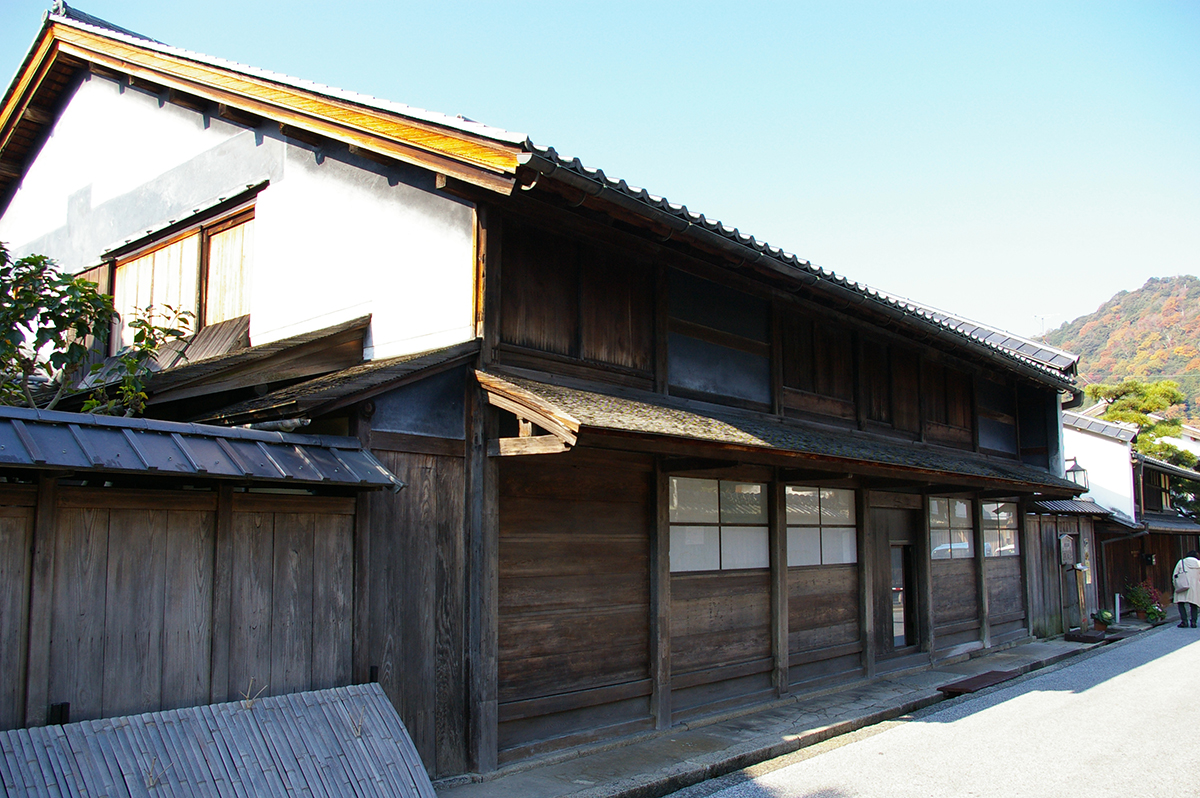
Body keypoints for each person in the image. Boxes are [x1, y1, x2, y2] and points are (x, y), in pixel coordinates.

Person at [1172, 550, 1200, 628]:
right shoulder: (1198, 563)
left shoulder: (1181, 562)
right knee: (1194, 604)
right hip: (1195, 586)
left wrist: (1176, 586)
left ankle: (1184, 621)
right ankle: (1193, 621)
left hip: (1183, 586)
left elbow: (1175, 575)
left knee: (1181, 603)